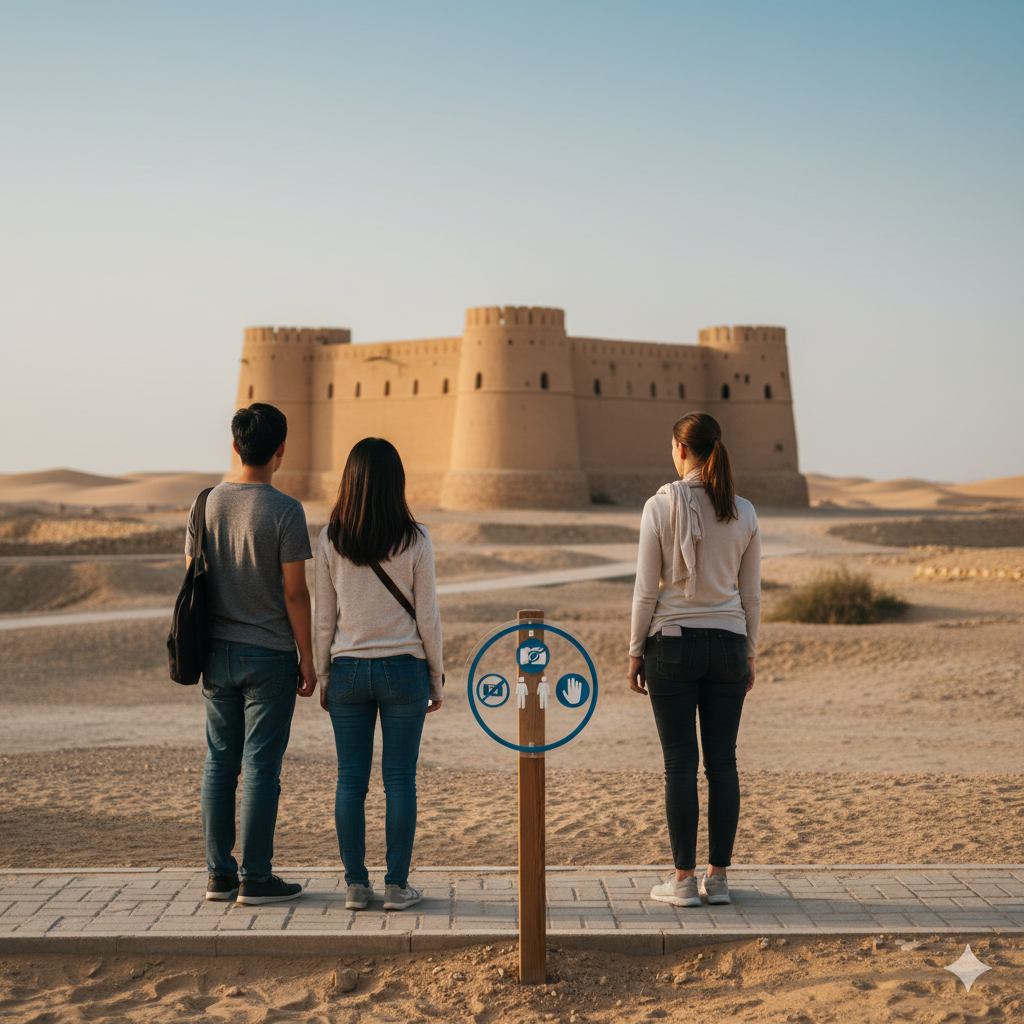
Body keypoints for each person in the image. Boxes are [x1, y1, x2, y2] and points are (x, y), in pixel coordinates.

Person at [186, 403, 317, 906]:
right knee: (261, 765)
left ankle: (219, 875)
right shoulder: (286, 510)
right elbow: (295, 593)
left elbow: (200, 578)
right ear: (280, 450)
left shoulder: (206, 504)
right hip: (270, 656)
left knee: (220, 761)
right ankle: (255, 878)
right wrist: (307, 656)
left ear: (235, 446)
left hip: (216, 654)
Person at [628, 412, 760, 908]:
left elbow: (645, 592)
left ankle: (683, 881)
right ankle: (718, 879)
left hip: (673, 643)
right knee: (722, 763)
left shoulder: (660, 507)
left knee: (680, 764)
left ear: (681, 451)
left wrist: (635, 650)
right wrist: (749, 651)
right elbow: (752, 596)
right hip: (728, 644)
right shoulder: (742, 510)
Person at [314, 437, 444, 912]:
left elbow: (323, 618)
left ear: (349, 482)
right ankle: (396, 886)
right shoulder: (416, 538)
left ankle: (354, 886)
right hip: (403, 671)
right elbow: (428, 616)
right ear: (396, 483)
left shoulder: (331, 538)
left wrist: (324, 673)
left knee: (350, 780)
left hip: (348, 671)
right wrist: (437, 675)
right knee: (400, 780)